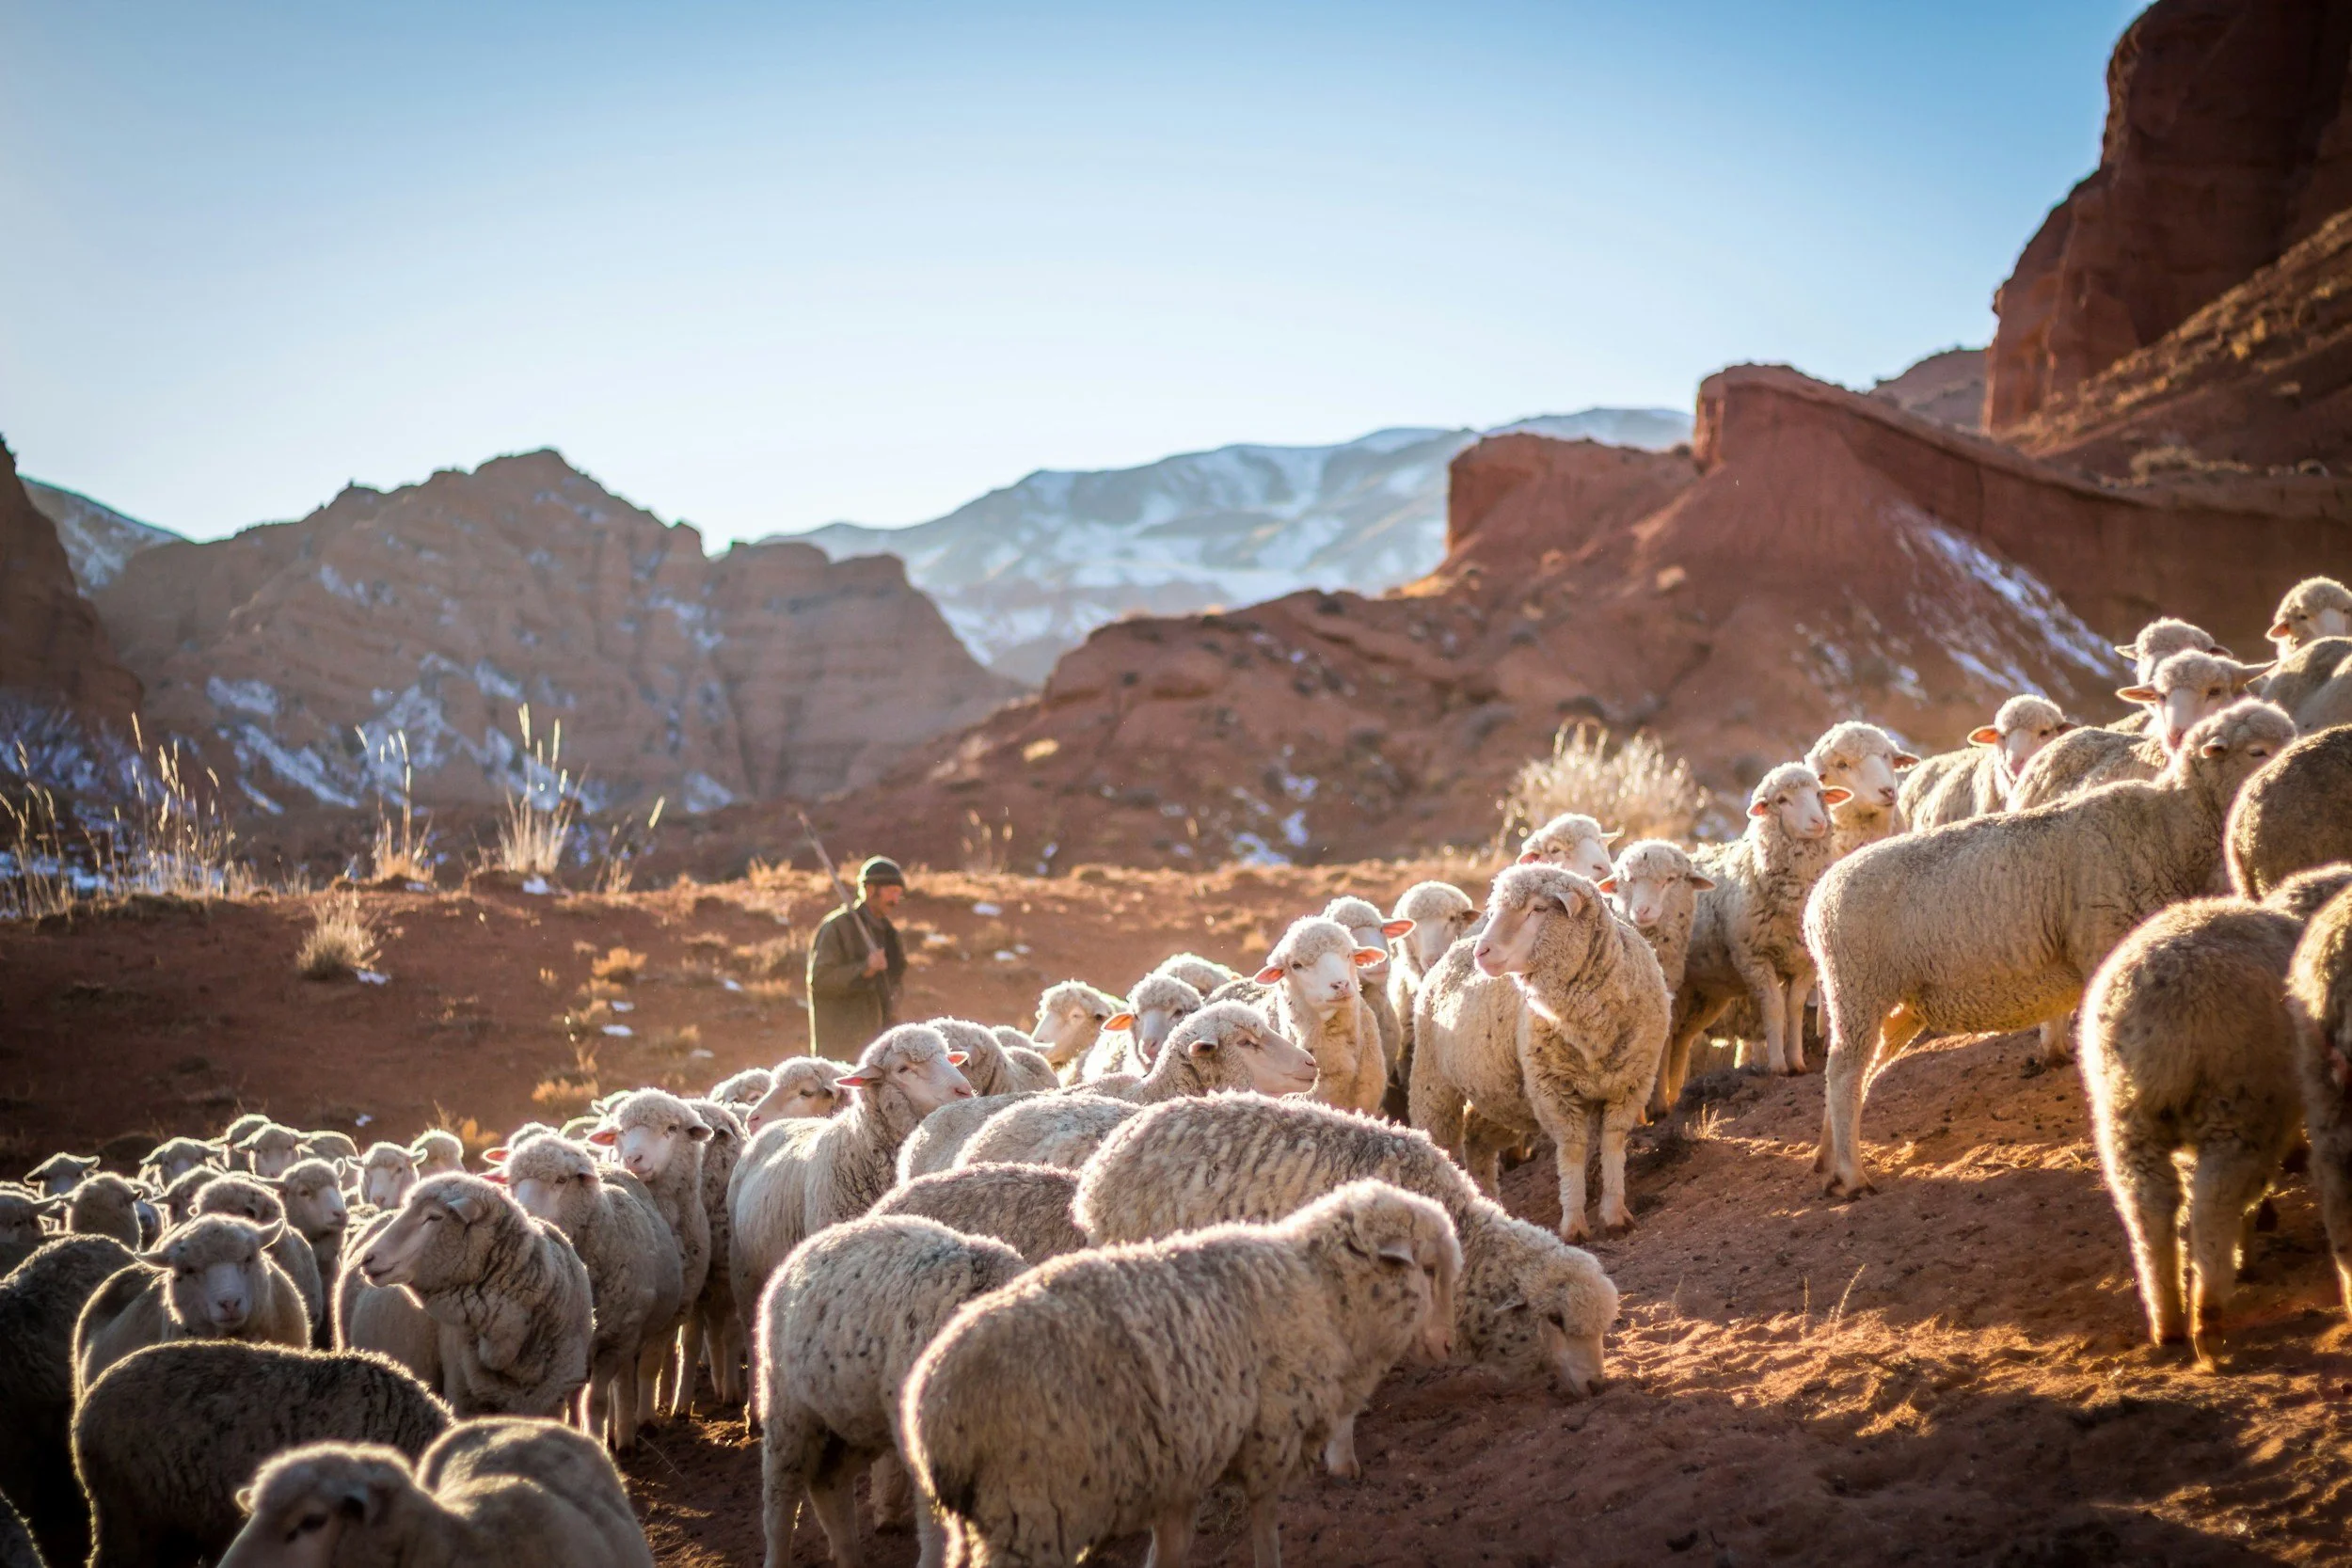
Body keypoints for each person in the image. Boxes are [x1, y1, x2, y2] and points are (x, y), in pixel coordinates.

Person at [805, 855, 909, 1060]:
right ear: (870, 890)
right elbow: (820, 980)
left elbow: (895, 985)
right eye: (892, 892)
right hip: (842, 1049)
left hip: (880, 1049)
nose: (896, 901)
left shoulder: (891, 935)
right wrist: (865, 969)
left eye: (899, 894)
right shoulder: (837, 928)